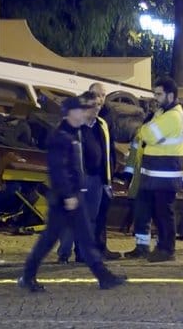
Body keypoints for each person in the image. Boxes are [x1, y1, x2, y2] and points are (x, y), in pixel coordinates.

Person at [18, 96, 126, 292]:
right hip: (65, 199)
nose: (82, 113)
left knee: (84, 237)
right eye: (78, 110)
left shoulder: (72, 133)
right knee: (49, 240)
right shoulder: (61, 137)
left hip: (74, 196)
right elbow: (58, 169)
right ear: (69, 113)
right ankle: (27, 276)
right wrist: (68, 195)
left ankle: (104, 277)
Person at [121, 77, 183, 262]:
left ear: (170, 95)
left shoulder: (173, 116)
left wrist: (144, 129)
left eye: (159, 94)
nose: (155, 98)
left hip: (164, 174)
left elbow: (148, 134)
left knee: (164, 214)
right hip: (155, 173)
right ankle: (151, 248)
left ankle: (167, 250)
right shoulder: (163, 113)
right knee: (150, 211)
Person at [57, 87, 120, 263]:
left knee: (90, 218)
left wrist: (107, 180)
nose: (97, 109)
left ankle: (83, 253)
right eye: (94, 106)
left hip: (96, 179)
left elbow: (107, 152)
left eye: (99, 106)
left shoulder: (101, 125)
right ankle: (64, 252)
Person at [88, 83, 122, 260]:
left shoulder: (107, 116)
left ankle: (100, 247)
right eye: (97, 95)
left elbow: (109, 146)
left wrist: (111, 170)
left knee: (101, 212)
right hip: (89, 174)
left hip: (104, 173)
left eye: (103, 95)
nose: (100, 99)